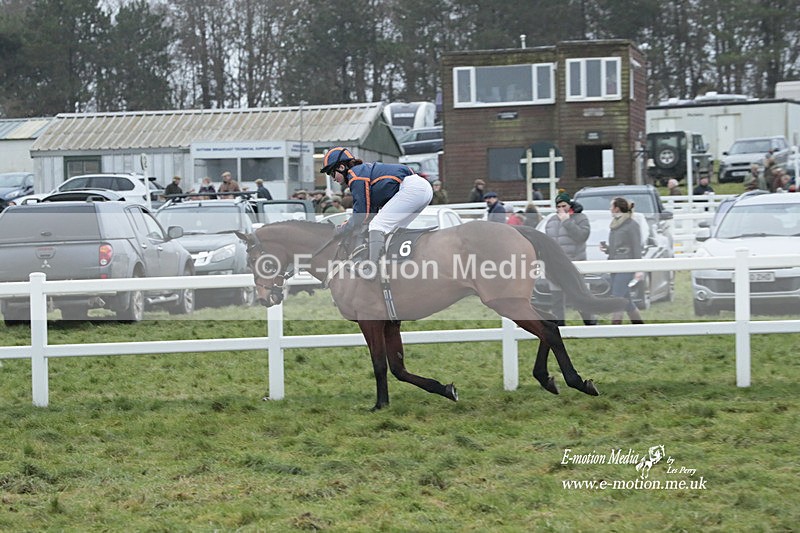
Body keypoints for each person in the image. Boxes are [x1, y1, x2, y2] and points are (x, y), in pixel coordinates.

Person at [320, 147, 433, 279]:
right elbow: (368, 214)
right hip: (420, 188)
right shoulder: (362, 172)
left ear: (341, 167)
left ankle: (372, 269)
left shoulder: (355, 175)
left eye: (332, 173)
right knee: (394, 230)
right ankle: (396, 266)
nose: (333, 179)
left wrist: (343, 228)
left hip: (413, 189)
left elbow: (361, 215)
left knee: (377, 226)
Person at [544, 191, 596, 326]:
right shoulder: (551, 221)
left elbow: (581, 236)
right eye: (558, 206)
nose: (561, 209)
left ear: (569, 205)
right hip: (555, 266)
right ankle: (559, 328)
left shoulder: (580, 218)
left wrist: (567, 222)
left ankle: (591, 324)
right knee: (556, 299)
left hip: (574, 264)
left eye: (564, 205)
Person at [600, 197, 645, 325]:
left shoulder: (632, 225)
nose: (610, 209)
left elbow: (636, 247)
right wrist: (607, 249)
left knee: (617, 297)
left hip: (626, 266)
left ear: (617, 208)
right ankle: (640, 325)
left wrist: (638, 268)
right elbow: (617, 247)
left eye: (611, 207)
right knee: (627, 300)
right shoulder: (615, 224)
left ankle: (615, 327)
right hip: (615, 264)